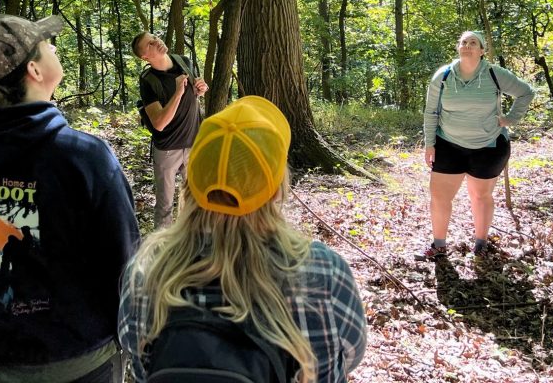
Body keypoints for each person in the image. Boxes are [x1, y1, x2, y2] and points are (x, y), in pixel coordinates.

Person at [0, 14, 140, 383]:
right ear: (34, 70)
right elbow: (125, 263)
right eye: (45, 44)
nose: (53, 46)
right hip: (80, 362)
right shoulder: (84, 158)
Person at [118, 95, 367, 383]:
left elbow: (139, 364)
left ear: (190, 183)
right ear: (276, 190)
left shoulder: (147, 271)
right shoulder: (323, 273)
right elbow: (351, 355)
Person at [422, 30, 534, 258]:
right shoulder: (443, 76)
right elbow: (431, 111)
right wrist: (429, 143)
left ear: (482, 51)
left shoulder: (494, 74)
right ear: (458, 47)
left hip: (488, 146)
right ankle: (439, 245)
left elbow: (526, 92)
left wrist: (510, 118)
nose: (467, 46)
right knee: (440, 196)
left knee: (481, 196)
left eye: (473, 43)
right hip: (448, 144)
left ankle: (481, 244)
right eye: (463, 42)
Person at [130, 31, 207, 228]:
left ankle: (192, 240)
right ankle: (161, 245)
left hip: (193, 143)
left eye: (154, 38)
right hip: (168, 150)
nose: (156, 42)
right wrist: (179, 92)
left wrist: (199, 89)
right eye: (150, 44)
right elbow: (159, 123)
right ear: (144, 57)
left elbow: (194, 95)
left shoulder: (183, 62)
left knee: (197, 200)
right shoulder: (148, 80)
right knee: (165, 206)